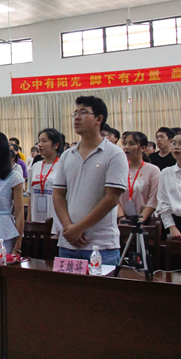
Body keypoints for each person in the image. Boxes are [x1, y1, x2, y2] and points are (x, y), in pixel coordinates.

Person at [53, 96, 128, 265]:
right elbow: (58, 195)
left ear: (99, 119)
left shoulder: (114, 154)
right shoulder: (67, 155)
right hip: (68, 244)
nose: (77, 118)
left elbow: (112, 198)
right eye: (75, 113)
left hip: (101, 245)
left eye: (83, 112)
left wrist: (79, 228)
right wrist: (69, 228)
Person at [27, 128, 63, 235]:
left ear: (56, 145)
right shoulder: (36, 166)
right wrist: (29, 223)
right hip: (36, 223)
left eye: (44, 141)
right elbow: (30, 196)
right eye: (39, 141)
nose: (40, 145)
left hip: (56, 224)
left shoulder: (62, 166)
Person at [118, 132, 160, 223]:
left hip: (146, 221)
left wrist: (141, 220)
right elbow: (113, 196)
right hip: (121, 220)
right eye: (125, 144)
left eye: (132, 144)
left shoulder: (153, 170)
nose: (126, 147)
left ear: (143, 148)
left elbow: (153, 200)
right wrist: (121, 218)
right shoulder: (119, 169)